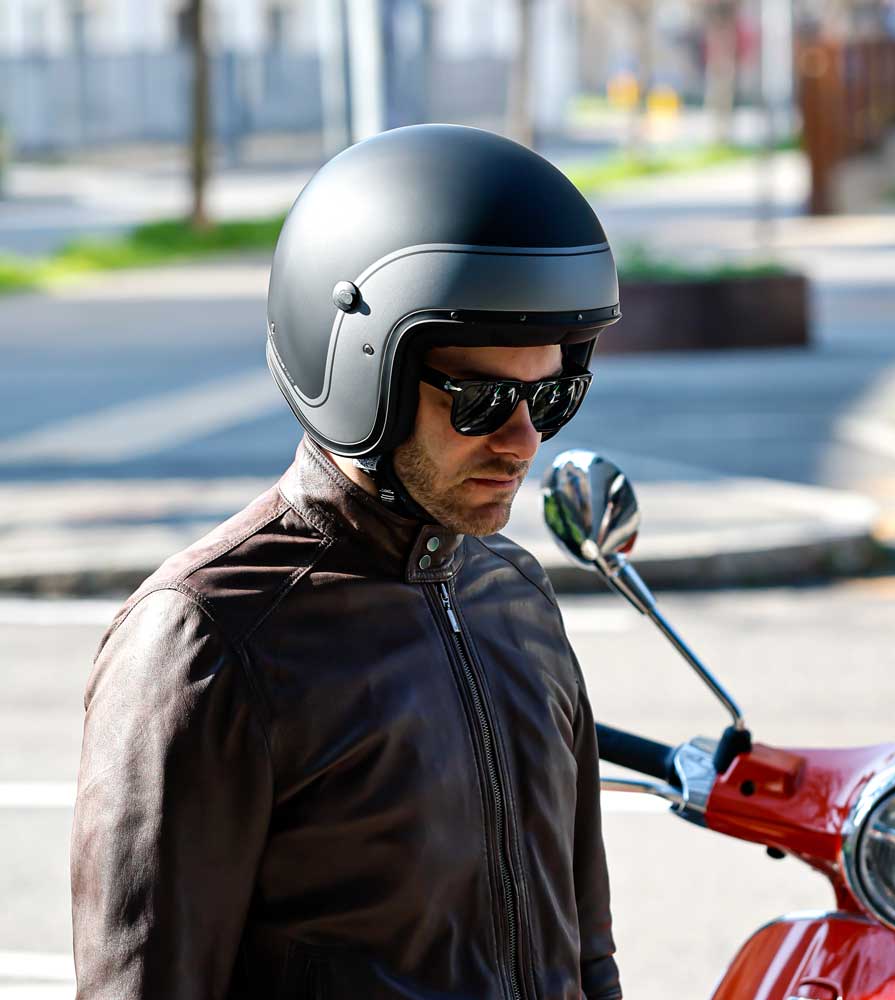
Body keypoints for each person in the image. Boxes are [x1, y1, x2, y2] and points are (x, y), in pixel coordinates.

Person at [70, 124, 623, 1000]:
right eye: (482, 399)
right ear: (365, 376)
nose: (525, 441)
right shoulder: (210, 639)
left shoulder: (515, 596)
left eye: (552, 395)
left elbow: (587, 952)